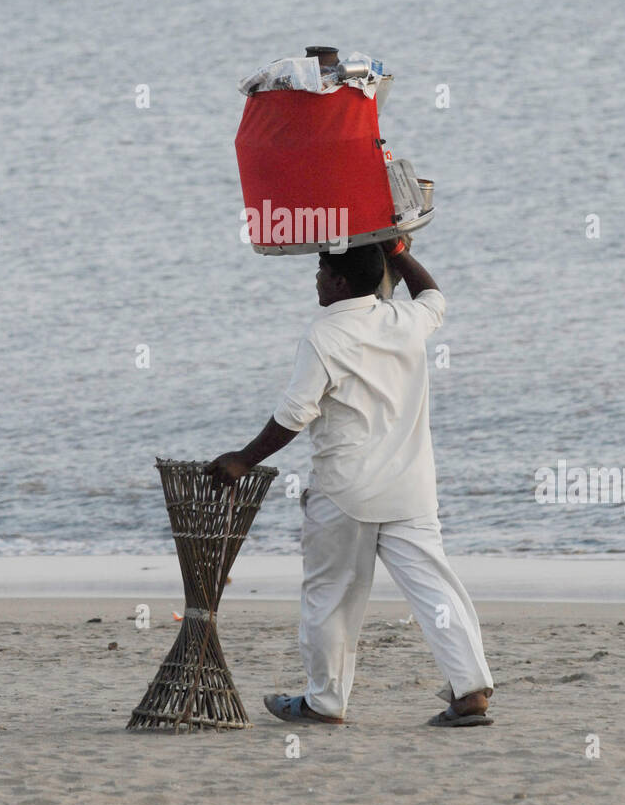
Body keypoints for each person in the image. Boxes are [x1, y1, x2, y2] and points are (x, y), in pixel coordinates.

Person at [205, 239, 494, 728]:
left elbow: (294, 416)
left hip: (346, 493)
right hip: (412, 489)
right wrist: (397, 248)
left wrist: (243, 461)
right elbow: (434, 297)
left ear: (339, 281)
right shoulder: (403, 321)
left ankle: (325, 702)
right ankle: (471, 691)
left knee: (331, 595)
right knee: (436, 589)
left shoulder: (324, 334)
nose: (315, 277)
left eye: (321, 269)